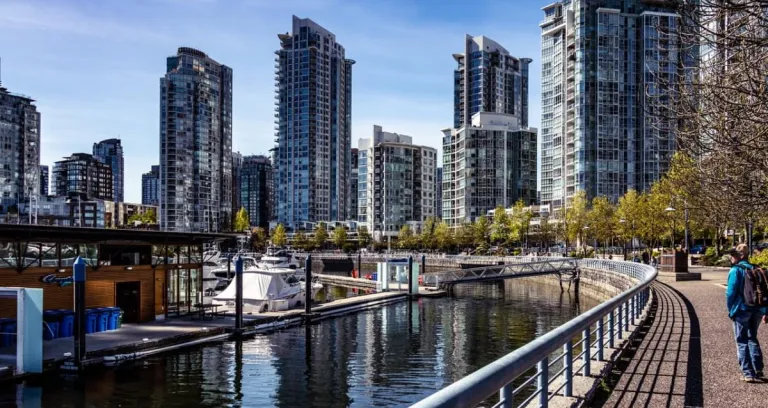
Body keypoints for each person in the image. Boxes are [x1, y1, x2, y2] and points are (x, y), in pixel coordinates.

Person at [726, 243, 767, 382]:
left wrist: (731, 310)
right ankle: (758, 369)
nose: (730, 257)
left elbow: (730, 293)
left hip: (742, 309)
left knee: (742, 340)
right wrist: (765, 310)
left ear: (740, 256)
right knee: (752, 337)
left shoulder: (735, 270)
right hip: (757, 309)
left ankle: (748, 373)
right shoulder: (757, 269)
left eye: (733, 255)